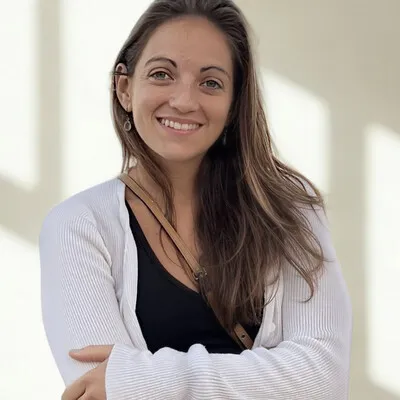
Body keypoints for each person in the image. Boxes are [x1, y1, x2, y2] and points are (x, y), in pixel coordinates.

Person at [39, 0, 352, 399]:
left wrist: (146, 380)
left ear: (234, 102)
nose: (184, 101)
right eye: (161, 74)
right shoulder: (77, 226)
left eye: (211, 83)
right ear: (124, 88)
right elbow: (97, 391)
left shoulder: (289, 209)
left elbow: (324, 378)